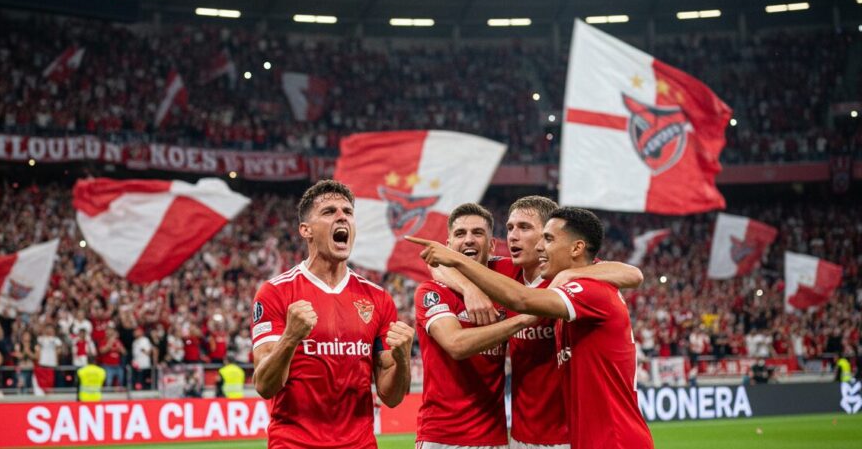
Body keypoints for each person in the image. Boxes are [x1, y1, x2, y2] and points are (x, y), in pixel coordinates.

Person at [410, 207, 653, 449]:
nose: (513, 236)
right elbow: (440, 265)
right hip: (519, 435)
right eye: (510, 228)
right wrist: (468, 287)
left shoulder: (575, 281)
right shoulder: (504, 275)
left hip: (570, 434)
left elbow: (631, 274)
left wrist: (568, 275)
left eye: (526, 228)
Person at [252, 180, 414, 449]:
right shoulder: (275, 292)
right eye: (329, 212)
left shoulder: (378, 298)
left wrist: (402, 358)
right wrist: (290, 338)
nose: (342, 217)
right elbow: (265, 385)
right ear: (306, 230)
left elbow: (392, 397)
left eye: (348, 212)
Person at [414, 203, 533, 449]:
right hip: (442, 437)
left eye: (477, 233)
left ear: (491, 246)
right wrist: (522, 319)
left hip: (494, 436)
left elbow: (552, 262)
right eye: (460, 234)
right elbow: (456, 345)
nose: (468, 240)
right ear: (448, 247)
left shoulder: (506, 275)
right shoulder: (432, 291)